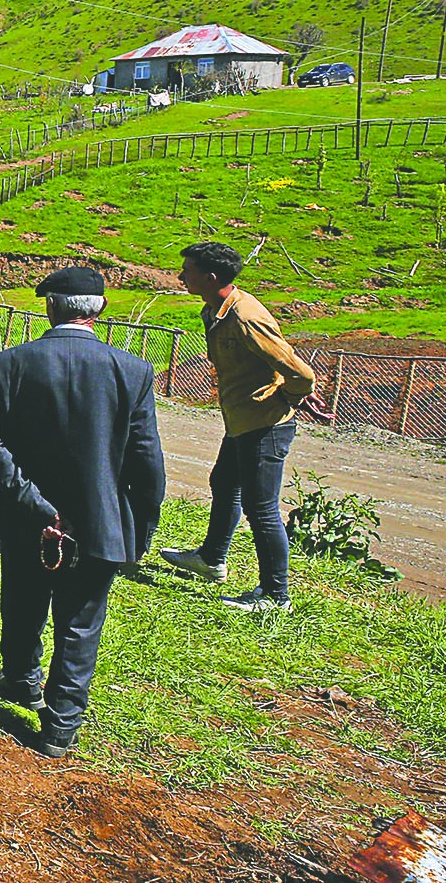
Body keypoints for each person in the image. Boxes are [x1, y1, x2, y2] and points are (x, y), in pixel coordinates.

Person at [0, 267, 165, 757]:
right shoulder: (132, 371)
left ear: (50, 307)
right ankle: (60, 726)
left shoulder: (11, 363)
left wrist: (34, 503)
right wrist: (139, 529)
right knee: (80, 623)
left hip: (26, 516)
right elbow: (147, 461)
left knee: (22, 601)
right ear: (99, 311)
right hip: (100, 521)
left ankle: (22, 679)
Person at [160, 241, 324, 613]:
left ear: (210, 277)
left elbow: (300, 372)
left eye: (188, 270)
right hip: (241, 420)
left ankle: (275, 596)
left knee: (261, 508)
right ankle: (212, 559)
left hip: (264, 424)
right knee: (224, 483)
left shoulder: (245, 317)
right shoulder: (214, 309)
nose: (181, 276)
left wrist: (290, 397)